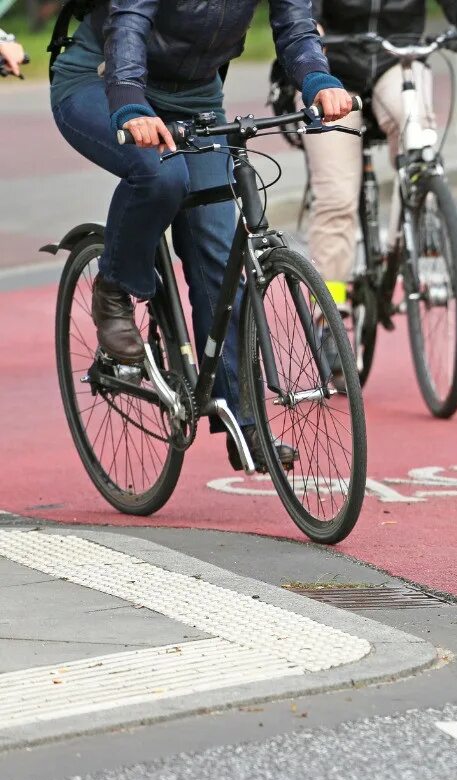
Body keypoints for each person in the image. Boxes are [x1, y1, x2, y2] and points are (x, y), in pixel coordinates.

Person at [49, 0, 351, 469]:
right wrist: (129, 101)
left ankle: (244, 423)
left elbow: (295, 25)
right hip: (103, 79)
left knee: (216, 253)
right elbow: (128, 23)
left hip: (194, 97)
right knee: (160, 179)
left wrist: (318, 79)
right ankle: (114, 287)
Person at [304, 0, 457, 309]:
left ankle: (410, 230)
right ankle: (327, 315)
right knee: (335, 197)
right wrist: (312, 33)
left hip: (398, 61)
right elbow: (300, 10)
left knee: (418, 136)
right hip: (332, 71)